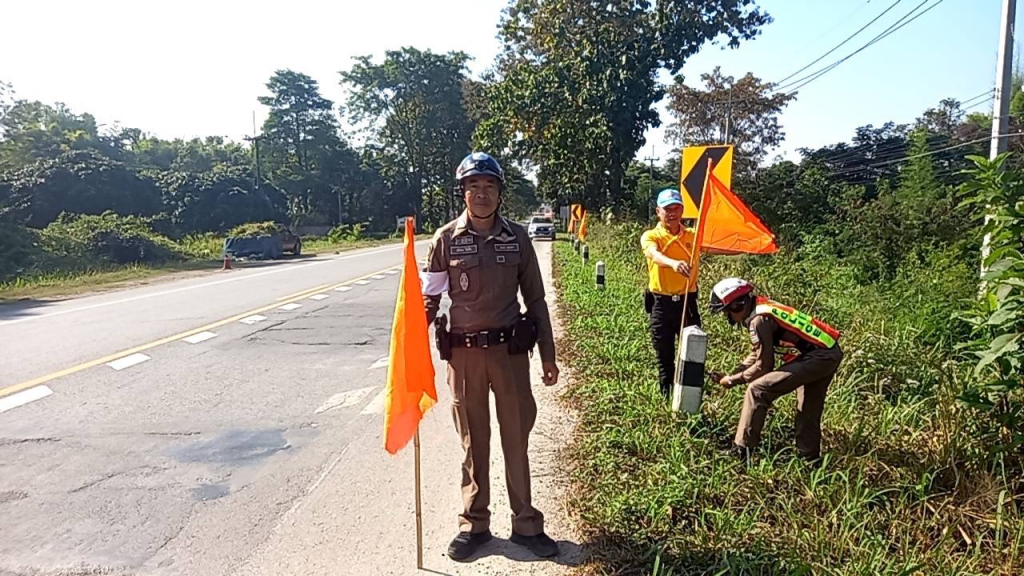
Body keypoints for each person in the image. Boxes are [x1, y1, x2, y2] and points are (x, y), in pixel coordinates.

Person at [421, 152, 561, 561]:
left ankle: (526, 524)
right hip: (464, 358)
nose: (481, 194)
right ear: (463, 192)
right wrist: (411, 340)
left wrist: (548, 355)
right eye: (473, 187)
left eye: (489, 186)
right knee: (472, 441)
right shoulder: (445, 240)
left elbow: (535, 299)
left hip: (509, 355)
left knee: (515, 437)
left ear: (500, 192)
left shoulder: (517, 238)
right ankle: (474, 524)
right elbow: (430, 299)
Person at [707, 278, 844, 463]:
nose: (728, 318)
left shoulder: (758, 320)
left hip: (818, 356)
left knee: (757, 390)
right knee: (808, 407)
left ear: (737, 306)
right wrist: (734, 373)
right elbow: (757, 353)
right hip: (828, 351)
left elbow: (764, 366)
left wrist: (733, 381)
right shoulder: (762, 307)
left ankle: (742, 450)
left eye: (726, 312)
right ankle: (809, 460)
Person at [640, 188, 702, 399]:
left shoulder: (693, 236)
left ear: (682, 211)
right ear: (658, 211)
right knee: (665, 356)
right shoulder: (651, 236)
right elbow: (654, 255)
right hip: (661, 304)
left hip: (688, 302)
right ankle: (667, 399)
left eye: (676, 208)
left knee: (693, 353)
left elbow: (721, 245)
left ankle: (690, 400)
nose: (672, 213)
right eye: (667, 209)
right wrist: (673, 264)